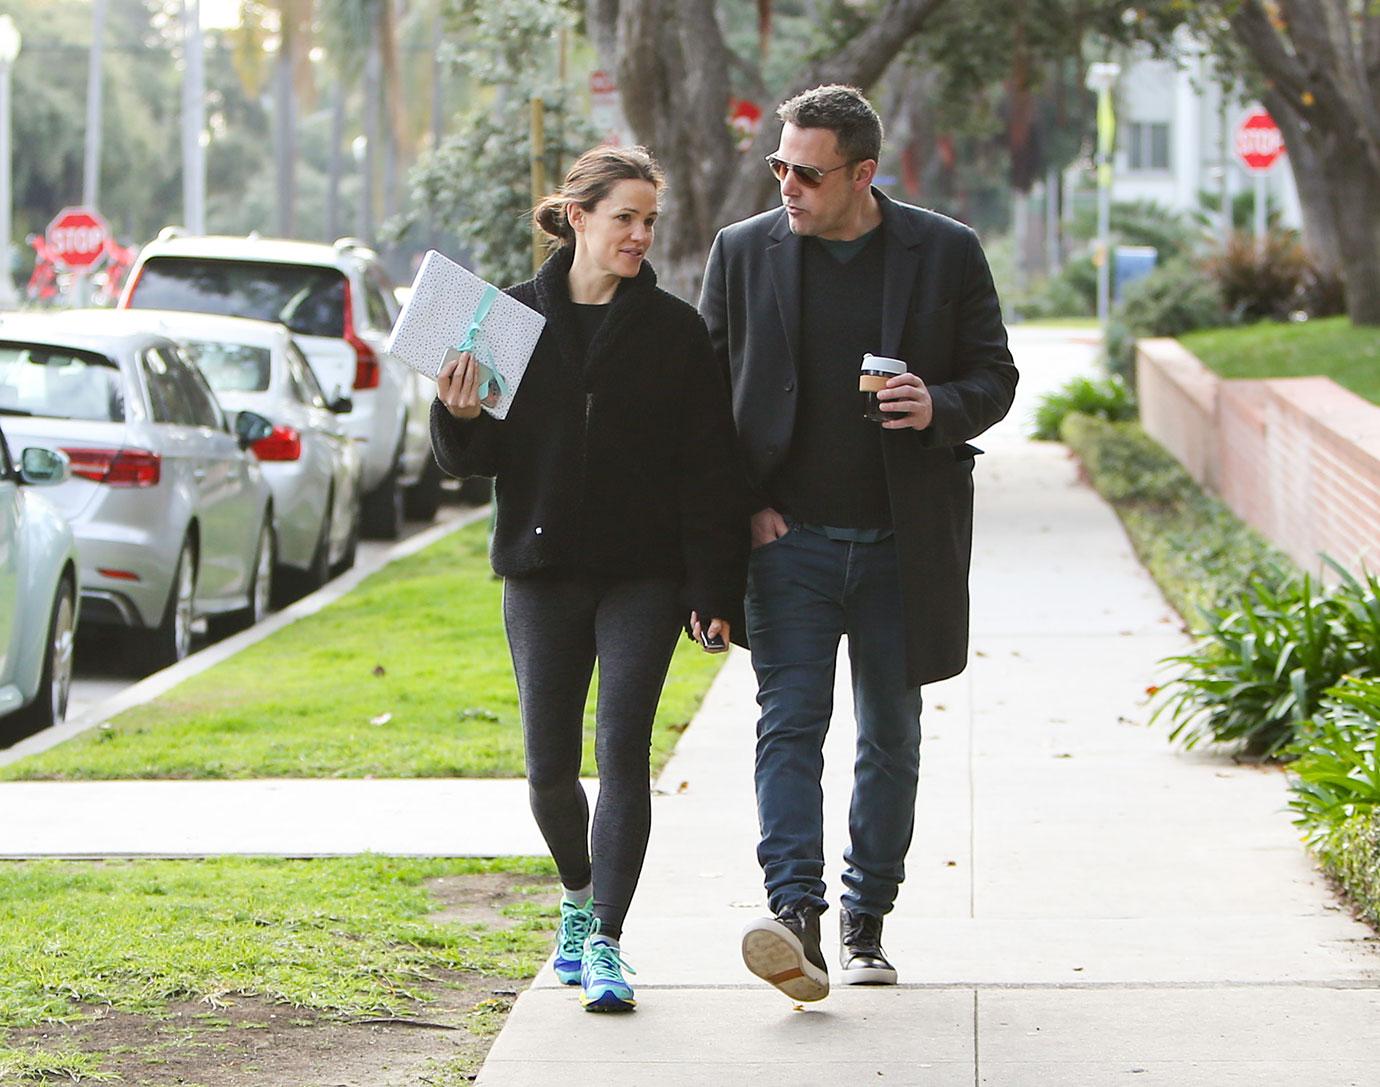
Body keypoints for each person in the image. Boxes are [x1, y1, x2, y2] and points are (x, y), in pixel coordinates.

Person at [699, 85, 1018, 1001]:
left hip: (899, 542)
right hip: (786, 545)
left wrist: (939, 406)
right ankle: (793, 915)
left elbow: (994, 373)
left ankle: (866, 912)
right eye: (780, 167)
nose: (788, 186)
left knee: (891, 738)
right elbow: (708, 400)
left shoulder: (944, 250)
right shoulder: (743, 251)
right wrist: (745, 504)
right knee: (789, 729)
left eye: (808, 172)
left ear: (863, 173)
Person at [432, 146, 746, 1013]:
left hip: (643, 577)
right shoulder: (509, 322)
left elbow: (709, 468)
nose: (641, 235)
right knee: (546, 769)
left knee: (622, 754)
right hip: (540, 573)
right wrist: (457, 414)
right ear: (578, 218)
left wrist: (714, 589)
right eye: (626, 218)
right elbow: (472, 458)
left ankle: (606, 939)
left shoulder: (675, 331)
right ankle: (575, 897)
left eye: (651, 220)